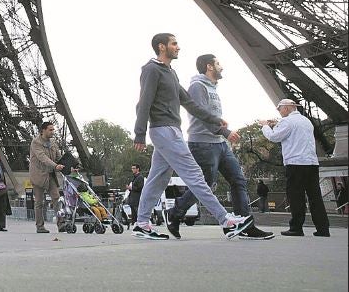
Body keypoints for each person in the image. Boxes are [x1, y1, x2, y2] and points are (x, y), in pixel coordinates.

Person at [132, 33, 252, 240]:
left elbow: (189, 103)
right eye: (174, 43)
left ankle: (142, 223)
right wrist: (139, 134)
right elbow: (143, 103)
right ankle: (227, 221)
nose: (178, 47)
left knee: (158, 178)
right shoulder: (151, 70)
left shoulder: (170, 72)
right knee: (195, 175)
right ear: (162, 47)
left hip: (171, 130)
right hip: (164, 130)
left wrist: (216, 121)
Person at [164, 54, 273, 240]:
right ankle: (175, 212)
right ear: (209, 66)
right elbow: (201, 114)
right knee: (205, 185)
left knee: (238, 181)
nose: (222, 66)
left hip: (220, 144)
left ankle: (245, 224)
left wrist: (223, 134)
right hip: (203, 143)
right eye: (218, 63)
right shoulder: (197, 86)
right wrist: (225, 131)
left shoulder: (213, 87)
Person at [262, 99, 330, 237]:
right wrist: (277, 124)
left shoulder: (287, 122)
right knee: (315, 196)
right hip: (311, 162)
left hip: (295, 163)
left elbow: (274, 137)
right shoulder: (306, 121)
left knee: (296, 196)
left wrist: (265, 126)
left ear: (286, 108)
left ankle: (296, 227)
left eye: (279, 109)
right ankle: (323, 228)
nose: (279, 112)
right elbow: (293, 133)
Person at [28, 121, 63, 234]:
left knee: (57, 198)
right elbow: (42, 157)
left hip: (50, 174)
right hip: (39, 175)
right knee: (39, 202)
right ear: (43, 130)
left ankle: (61, 224)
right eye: (50, 130)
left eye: (53, 129)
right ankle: (40, 226)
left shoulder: (53, 142)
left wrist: (71, 166)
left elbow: (58, 157)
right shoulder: (36, 142)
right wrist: (55, 166)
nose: (53, 131)